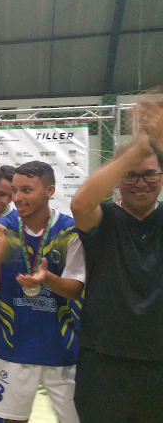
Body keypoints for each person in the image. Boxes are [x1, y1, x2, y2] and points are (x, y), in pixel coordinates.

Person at [70, 101, 163, 423]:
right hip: (103, 360)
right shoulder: (105, 219)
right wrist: (136, 151)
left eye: (149, 174)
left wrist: (156, 143)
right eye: (130, 175)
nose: (140, 182)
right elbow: (80, 204)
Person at [0, 161, 85, 423]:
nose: (17, 198)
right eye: (15, 190)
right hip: (14, 347)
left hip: (62, 348)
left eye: (26, 190)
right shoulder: (2, 228)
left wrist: (47, 279)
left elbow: (75, 289)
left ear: (50, 190)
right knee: (12, 420)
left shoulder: (70, 231)